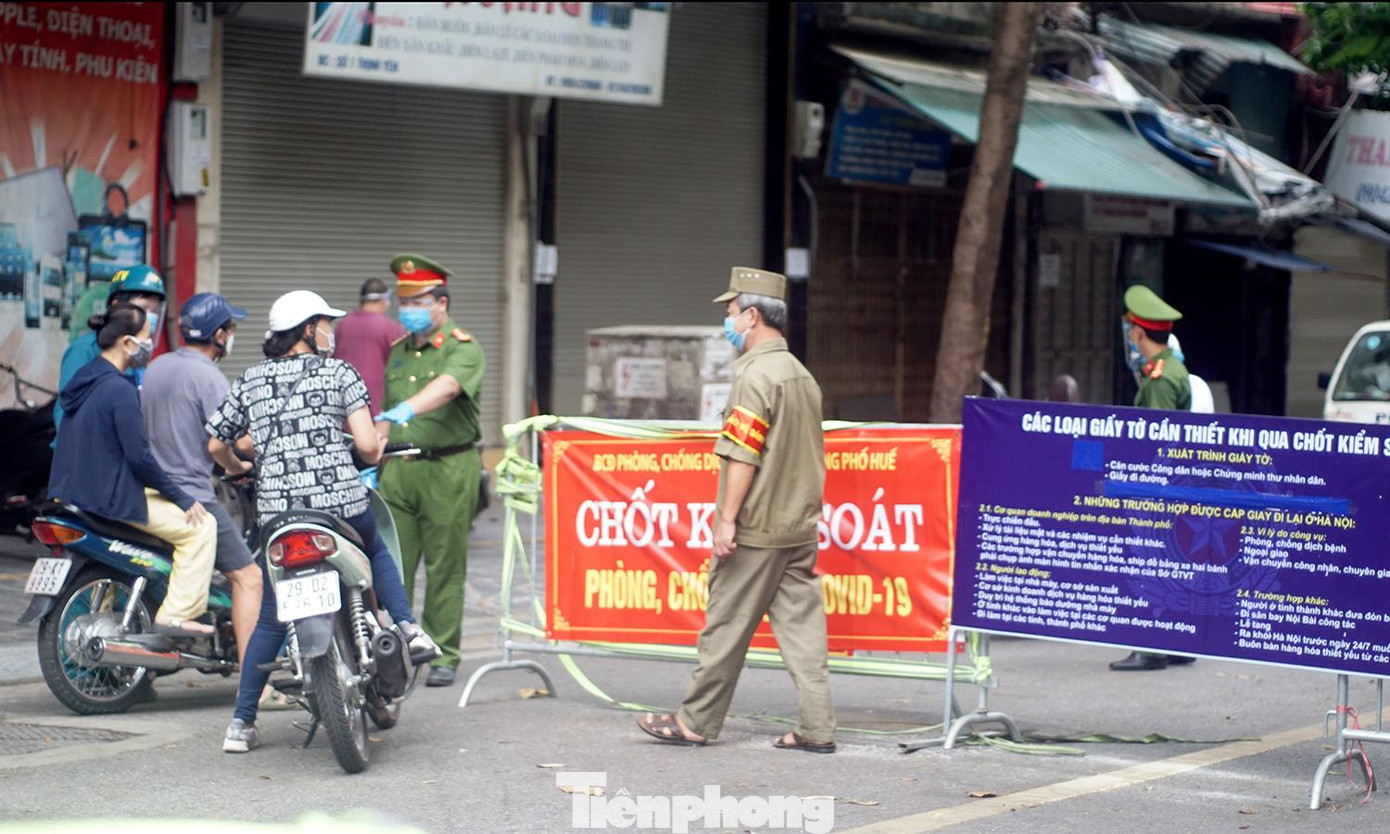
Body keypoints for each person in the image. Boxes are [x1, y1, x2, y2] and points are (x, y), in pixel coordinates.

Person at [207, 290, 438, 754]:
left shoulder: (250, 380)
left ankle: (240, 724)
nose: (332, 332)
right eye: (325, 324)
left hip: (279, 517)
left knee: (273, 615)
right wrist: (367, 445)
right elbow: (370, 448)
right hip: (340, 508)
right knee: (374, 547)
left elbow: (215, 443)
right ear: (308, 330)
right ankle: (409, 629)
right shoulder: (340, 374)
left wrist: (236, 467)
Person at [636, 267, 836, 753]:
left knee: (725, 624)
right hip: (799, 526)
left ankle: (695, 721)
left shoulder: (755, 374)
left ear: (751, 316)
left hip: (758, 528)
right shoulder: (799, 374)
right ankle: (818, 726)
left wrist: (727, 520)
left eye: (729, 314)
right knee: (803, 631)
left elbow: (743, 453)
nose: (727, 323)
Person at [47, 303, 218, 635]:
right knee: (202, 527)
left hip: (76, 493)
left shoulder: (85, 381)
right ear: (126, 343)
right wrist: (183, 498)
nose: (149, 345)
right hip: (107, 498)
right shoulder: (120, 390)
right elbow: (139, 457)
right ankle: (177, 614)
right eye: (145, 337)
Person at [374, 254, 485, 688]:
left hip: (447, 468)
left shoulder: (463, 347)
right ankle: (396, 647)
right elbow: (385, 408)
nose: (409, 309)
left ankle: (443, 653)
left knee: (444, 565)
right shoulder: (399, 351)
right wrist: (373, 454)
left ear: (441, 302)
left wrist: (409, 408)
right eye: (404, 301)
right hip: (399, 470)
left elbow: (449, 386)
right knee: (392, 564)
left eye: (417, 300)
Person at [141, 293, 261, 666]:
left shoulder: (157, 365)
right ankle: (254, 683)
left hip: (148, 487)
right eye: (230, 329)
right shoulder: (209, 377)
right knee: (248, 577)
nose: (232, 335)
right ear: (219, 336)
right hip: (191, 494)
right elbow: (234, 440)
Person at [1111, 285, 1197, 673]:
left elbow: (1157, 438)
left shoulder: (1162, 378)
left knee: (1151, 561)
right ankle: (1178, 641)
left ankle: (1150, 646)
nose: (1130, 335)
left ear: (1139, 334)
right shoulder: (1173, 367)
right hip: (1173, 485)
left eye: (1132, 329)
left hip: (1157, 485)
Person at [55, 265, 167, 432]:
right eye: (143, 309)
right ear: (116, 305)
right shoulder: (84, 350)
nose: (149, 318)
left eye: (155, 311)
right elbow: (64, 416)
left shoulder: (138, 353)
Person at [333, 277, 406, 410]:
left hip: (344, 403)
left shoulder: (342, 326)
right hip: (378, 406)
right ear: (385, 300)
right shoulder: (390, 328)